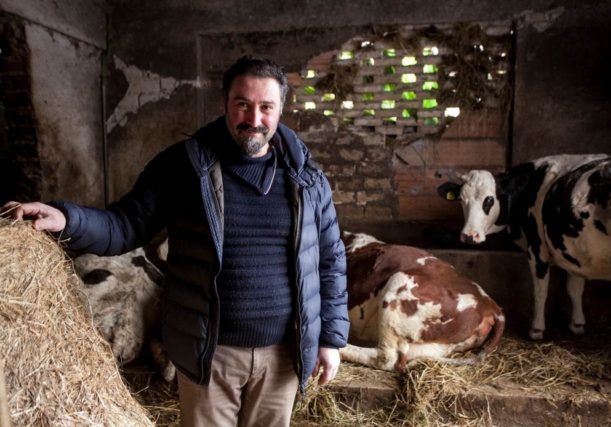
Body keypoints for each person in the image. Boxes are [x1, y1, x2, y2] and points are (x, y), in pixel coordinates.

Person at [2, 56, 350, 427]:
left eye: (266, 107)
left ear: (281, 109)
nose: (254, 119)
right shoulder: (185, 167)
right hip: (210, 354)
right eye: (242, 104)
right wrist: (67, 218)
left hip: (283, 355)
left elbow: (329, 260)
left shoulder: (308, 180)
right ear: (225, 103)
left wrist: (329, 339)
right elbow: (125, 224)